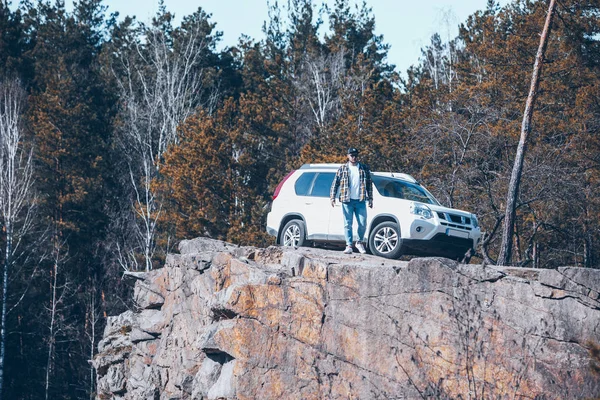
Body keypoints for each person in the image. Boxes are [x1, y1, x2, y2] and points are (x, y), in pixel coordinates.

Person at [330, 147, 373, 254]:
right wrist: (332, 197)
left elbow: (369, 184)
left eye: (355, 155)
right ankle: (349, 245)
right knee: (347, 224)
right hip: (347, 200)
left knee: (362, 223)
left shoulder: (363, 168)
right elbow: (335, 183)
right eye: (352, 155)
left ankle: (359, 242)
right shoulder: (343, 168)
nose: (354, 157)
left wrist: (371, 198)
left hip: (360, 200)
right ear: (348, 156)